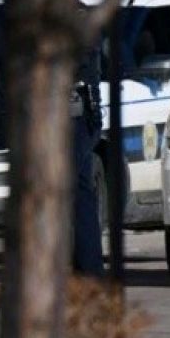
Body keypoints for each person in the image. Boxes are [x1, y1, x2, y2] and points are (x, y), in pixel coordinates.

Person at [72, 27, 105, 277]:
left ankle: (88, 268)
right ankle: (88, 268)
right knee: (80, 192)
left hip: (72, 113)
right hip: (80, 112)